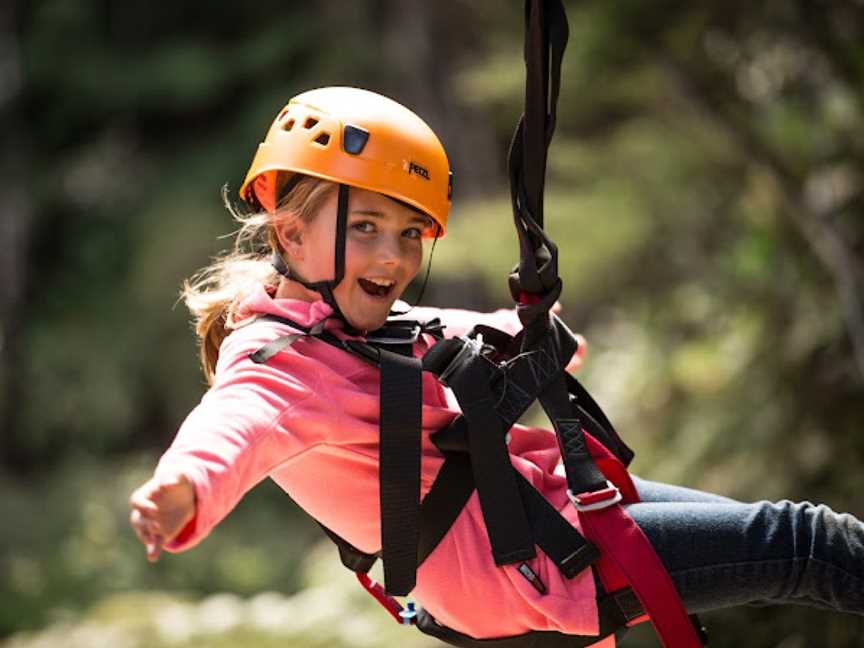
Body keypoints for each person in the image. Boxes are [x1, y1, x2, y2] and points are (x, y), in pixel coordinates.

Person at [129, 86, 864, 644]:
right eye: (365, 228)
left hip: (550, 515)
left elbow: (493, 337)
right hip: (527, 564)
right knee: (803, 543)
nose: (394, 256)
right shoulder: (278, 363)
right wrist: (182, 487)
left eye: (412, 233)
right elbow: (231, 428)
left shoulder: (373, 326)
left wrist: (534, 324)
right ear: (290, 234)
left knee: (801, 545)